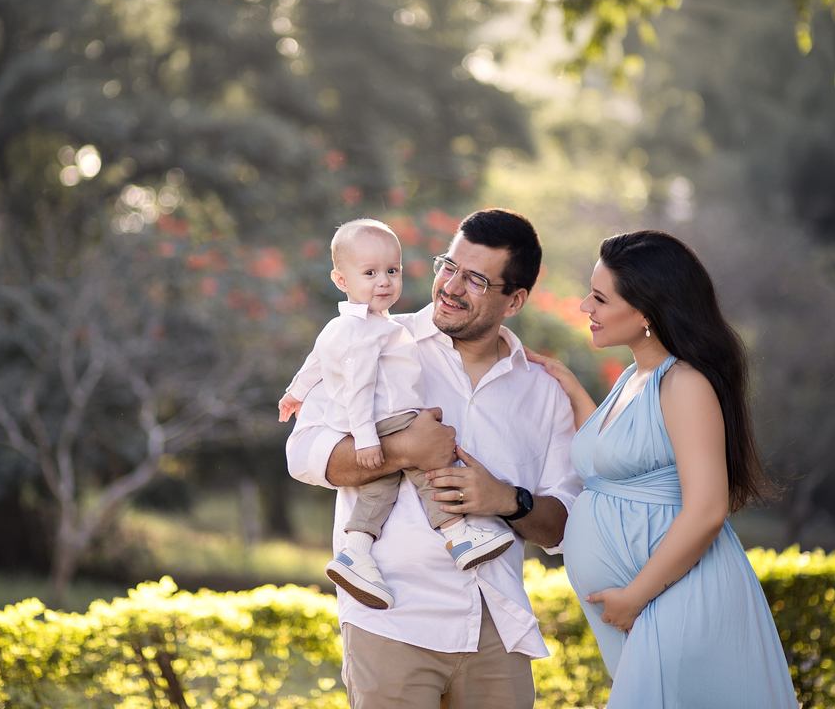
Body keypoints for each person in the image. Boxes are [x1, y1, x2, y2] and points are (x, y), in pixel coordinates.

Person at [286, 208, 581, 709]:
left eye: (476, 279)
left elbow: (562, 528)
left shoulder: (544, 392)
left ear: (515, 301)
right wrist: (403, 450)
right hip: (391, 617)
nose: (450, 285)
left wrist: (507, 500)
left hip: (496, 629)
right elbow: (304, 454)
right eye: (450, 265)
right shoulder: (374, 340)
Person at [526, 230, 797, 708]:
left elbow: (708, 509)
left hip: (672, 598)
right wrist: (571, 389)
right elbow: (618, 459)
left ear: (647, 312)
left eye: (600, 297)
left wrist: (635, 596)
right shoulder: (637, 377)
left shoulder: (685, 383)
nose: (584, 306)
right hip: (647, 602)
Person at [279, 219, 515, 611]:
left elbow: (315, 362)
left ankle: (356, 551)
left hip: (387, 418)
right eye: (370, 273)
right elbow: (358, 387)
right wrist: (369, 439)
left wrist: (294, 393)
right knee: (434, 466)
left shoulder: (351, 327)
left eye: (393, 271)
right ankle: (458, 535)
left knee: (380, 487)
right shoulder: (365, 333)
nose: (384, 281)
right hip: (388, 418)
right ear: (341, 280)